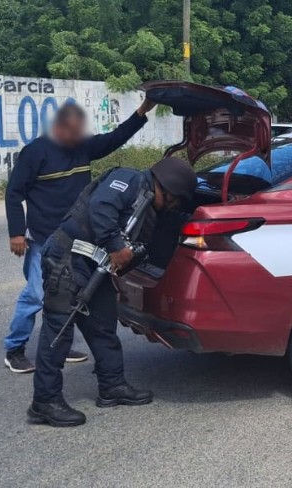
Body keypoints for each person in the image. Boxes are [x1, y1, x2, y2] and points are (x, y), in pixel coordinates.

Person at [28, 157, 198, 427]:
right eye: (175, 200)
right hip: (67, 259)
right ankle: (44, 402)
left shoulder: (147, 203)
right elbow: (101, 207)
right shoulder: (130, 179)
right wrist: (117, 246)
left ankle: (112, 386)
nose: (174, 206)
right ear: (165, 187)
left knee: (103, 325)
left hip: (94, 266)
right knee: (58, 331)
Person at [4, 99, 157, 374]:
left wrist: (141, 112)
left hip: (75, 235)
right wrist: (16, 232)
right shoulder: (35, 152)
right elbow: (14, 193)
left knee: (71, 290)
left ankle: (59, 344)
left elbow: (115, 139)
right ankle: (14, 348)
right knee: (37, 294)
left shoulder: (82, 147)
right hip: (43, 236)